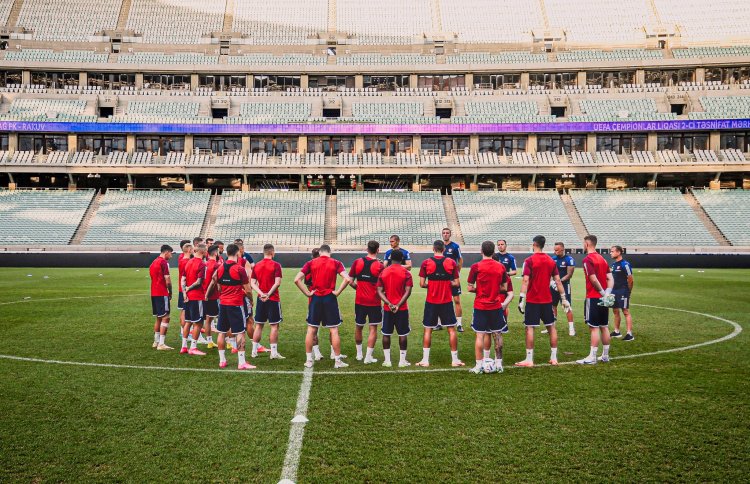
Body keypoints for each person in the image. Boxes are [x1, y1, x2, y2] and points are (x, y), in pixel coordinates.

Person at [515, 235, 571, 367]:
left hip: (533, 300)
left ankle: (529, 359)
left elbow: (525, 280)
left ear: (534, 244)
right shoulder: (551, 261)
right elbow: (558, 281)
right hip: (547, 300)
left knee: (529, 328)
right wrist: (564, 299)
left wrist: (521, 298)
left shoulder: (529, 260)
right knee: (551, 327)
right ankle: (554, 358)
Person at [294, 244, 351, 368]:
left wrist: (308, 293)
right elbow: (347, 279)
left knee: (311, 330)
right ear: (330, 252)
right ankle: (337, 361)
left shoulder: (311, 263)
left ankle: (309, 360)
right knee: (334, 330)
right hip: (330, 298)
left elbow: (296, 279)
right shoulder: (336, 263)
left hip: (315, 299)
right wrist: (337, 292)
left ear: (320, 252)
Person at [416, 240, 464, 368]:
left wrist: (431, 285)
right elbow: (456, 283)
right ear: (443, 249)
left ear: (433, 249)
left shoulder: (426, 263)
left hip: (431, 302)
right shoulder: (451, 262)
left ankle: (425, 360)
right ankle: (455, 360)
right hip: (446, 301)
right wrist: (446, 284)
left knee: (428, 330)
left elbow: (421, 284)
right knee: (451, 330)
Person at [467, 241, 508, 374]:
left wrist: (480, 290)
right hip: (495, 305)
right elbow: (505, 288)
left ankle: (478, 366)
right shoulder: (501, 267)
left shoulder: (476, 266)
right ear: (494, 251)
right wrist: (494, 290)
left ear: (481, 251)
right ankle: (499, 364)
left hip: (480, 305)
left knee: (480, 335)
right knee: (497, 334)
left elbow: (469, 287)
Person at [213, 243, 255, 370]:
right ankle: (241, 362)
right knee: (240, 332)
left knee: (221, 332)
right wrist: (251, 300)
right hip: (236, 304)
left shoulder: (219, 268)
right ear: (238, 253)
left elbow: (218, 286)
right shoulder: (239, 269)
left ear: (226, 253)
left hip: (223, 303)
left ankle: (222, 361)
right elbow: (247, 290)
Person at [577, 235, 615, 365]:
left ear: (587, 244)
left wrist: (602, 293)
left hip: (594, 297)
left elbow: (593, 279)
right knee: (604, 326)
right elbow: (610, 278)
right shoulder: (602, 259)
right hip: (604, 298)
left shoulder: (588, 259)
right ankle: (605, 356)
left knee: (593, 327)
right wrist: (607, 294)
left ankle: (592, 357)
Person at [348, 240, 384, 364]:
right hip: (374, 302)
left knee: (359, 326)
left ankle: (359, 354)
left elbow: (350, 281)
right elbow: (383, 286)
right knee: (373, 328)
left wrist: (358, 288)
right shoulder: (380, 266)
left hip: (360, 301)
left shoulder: (357, 262)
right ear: (378, 250)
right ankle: (368, 357)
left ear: (367, 249)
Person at [376, 249, 413, 367]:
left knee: (386, 334)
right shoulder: (406, 273)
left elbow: (379, 291)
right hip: (402, 309)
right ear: (402, 259)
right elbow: (408, 292)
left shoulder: (384, 272)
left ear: (391, 258)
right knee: (403, 334)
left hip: (388, 309)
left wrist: (389, 304)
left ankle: (387, 361)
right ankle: (402, 361)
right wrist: (398, 305)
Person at [250, 244, 285, 359]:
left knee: (259, 325)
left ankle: (254, 351)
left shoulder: (257, 265)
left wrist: (261, 294)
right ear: (272, 252)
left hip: (261, 299)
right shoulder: (276, 265)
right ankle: (273, 353)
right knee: (274, 326)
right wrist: (268, 294)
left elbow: (252, 283)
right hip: (273, 299)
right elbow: (277, 282)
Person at [181, 244, 208, 356]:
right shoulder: (201, 264)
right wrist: (188, 288)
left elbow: (183, 279)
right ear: (203, 252)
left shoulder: (189, 262)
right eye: (206, 251)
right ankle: (193, 347)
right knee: (198, 323)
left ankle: (183, 346)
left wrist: (184, 293)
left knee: (188, 321)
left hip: (188, 296)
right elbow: (199, 281)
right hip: (197, 297)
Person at [149, 244, 174, 350]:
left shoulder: (154, 262)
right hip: (162, 292)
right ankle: (161, 344)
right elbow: (167, 280)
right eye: (171, 254)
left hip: (154, 293)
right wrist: (170, 291)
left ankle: (156, 341)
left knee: (159, 317)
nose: (171, 256)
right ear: (166, 252)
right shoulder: (163, 262)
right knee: (166, 317)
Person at [550, 242, 576, 337]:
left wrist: (558, 282)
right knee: (553, 306)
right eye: (554, 249)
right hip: (553, 286)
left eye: (557, 250)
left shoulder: (569, 259)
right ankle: (552, 326)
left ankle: (571, 328)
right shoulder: (553, 259)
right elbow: (549, 272)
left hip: (564, 286)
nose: (555, 251)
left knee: (567, 306)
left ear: (562, 249)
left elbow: (569, 275)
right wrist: (552, 282)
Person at [609, 245, 634, 341]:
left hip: (623, 291)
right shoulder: (614, 264)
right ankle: (616, 331)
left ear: (618, 252)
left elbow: (631, 280)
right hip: (614, 291)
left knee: (625, 311)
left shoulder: (625, 264)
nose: (610, 253)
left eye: (612, 251)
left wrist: (628, 292)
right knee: (615, 311)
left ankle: (629, 334)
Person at [441, 228, 464, 332]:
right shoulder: (439, 245)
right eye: (444, 233)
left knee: (457, 300)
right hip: (441, 277)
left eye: (447, 233)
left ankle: (459, 324)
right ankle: (439, 323)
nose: (445, 235)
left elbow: (460, 259)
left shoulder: (455, 246)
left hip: (452, 277)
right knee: (440, 300)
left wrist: (457, 272)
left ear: (450, 234)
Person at [202, 244, 220, 349]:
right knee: (222, 318)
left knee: (208, 320)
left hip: (204, 294)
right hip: (213, 295)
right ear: (215, 252)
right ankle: (228, 341)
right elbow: (215, 282)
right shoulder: (216, 265)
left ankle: (209, 342)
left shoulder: (205, 264)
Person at [177, 241, 193, 336]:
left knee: (185, 310)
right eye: (191, 249)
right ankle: (184, 332)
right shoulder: (186, 261)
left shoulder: (182, 260)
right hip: (185, 290)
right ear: (188, 250)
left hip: (183, 289)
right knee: (185, 311)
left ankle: (184, 332)